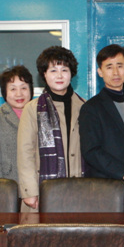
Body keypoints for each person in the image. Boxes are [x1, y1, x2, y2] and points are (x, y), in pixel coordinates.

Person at [17, 46, 86, 209]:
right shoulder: (32, 108)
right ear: (44, 74)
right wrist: (29, 191)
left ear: (71, 73)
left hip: (79, 188)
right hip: (41, 190)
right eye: (53, 70)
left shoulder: (84, 106)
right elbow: (25, 152)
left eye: (64, 70)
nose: (59, 76)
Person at [80, 45, 124, 211]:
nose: (115, 72)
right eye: (109, 67)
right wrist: (122, 171)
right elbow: (90, 150)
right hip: (106, 189)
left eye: (120, 66)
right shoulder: (91, 108)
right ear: (100, 72)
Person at [0, 65, 33, 190]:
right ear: (5, 92)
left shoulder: (40, 114)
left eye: (24, 88)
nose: (19, 94)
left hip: (37, 185)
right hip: (9, 184)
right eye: (13, 89)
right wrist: (0, 190)